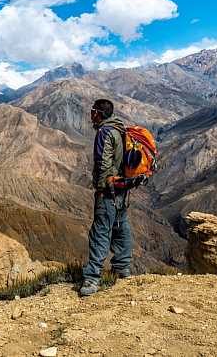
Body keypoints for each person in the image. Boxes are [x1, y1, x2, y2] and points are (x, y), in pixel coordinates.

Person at [80, 99, 132, 296]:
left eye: (92, 111)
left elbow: (103, 163)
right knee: (120, 226)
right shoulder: (119, 128)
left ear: (98, 113)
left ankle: (92, 278)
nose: (90, 115)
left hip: (108, 190)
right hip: (121, 188)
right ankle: (122, 268)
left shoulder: (104, 132)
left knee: (100, 231)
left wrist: (101, 189)